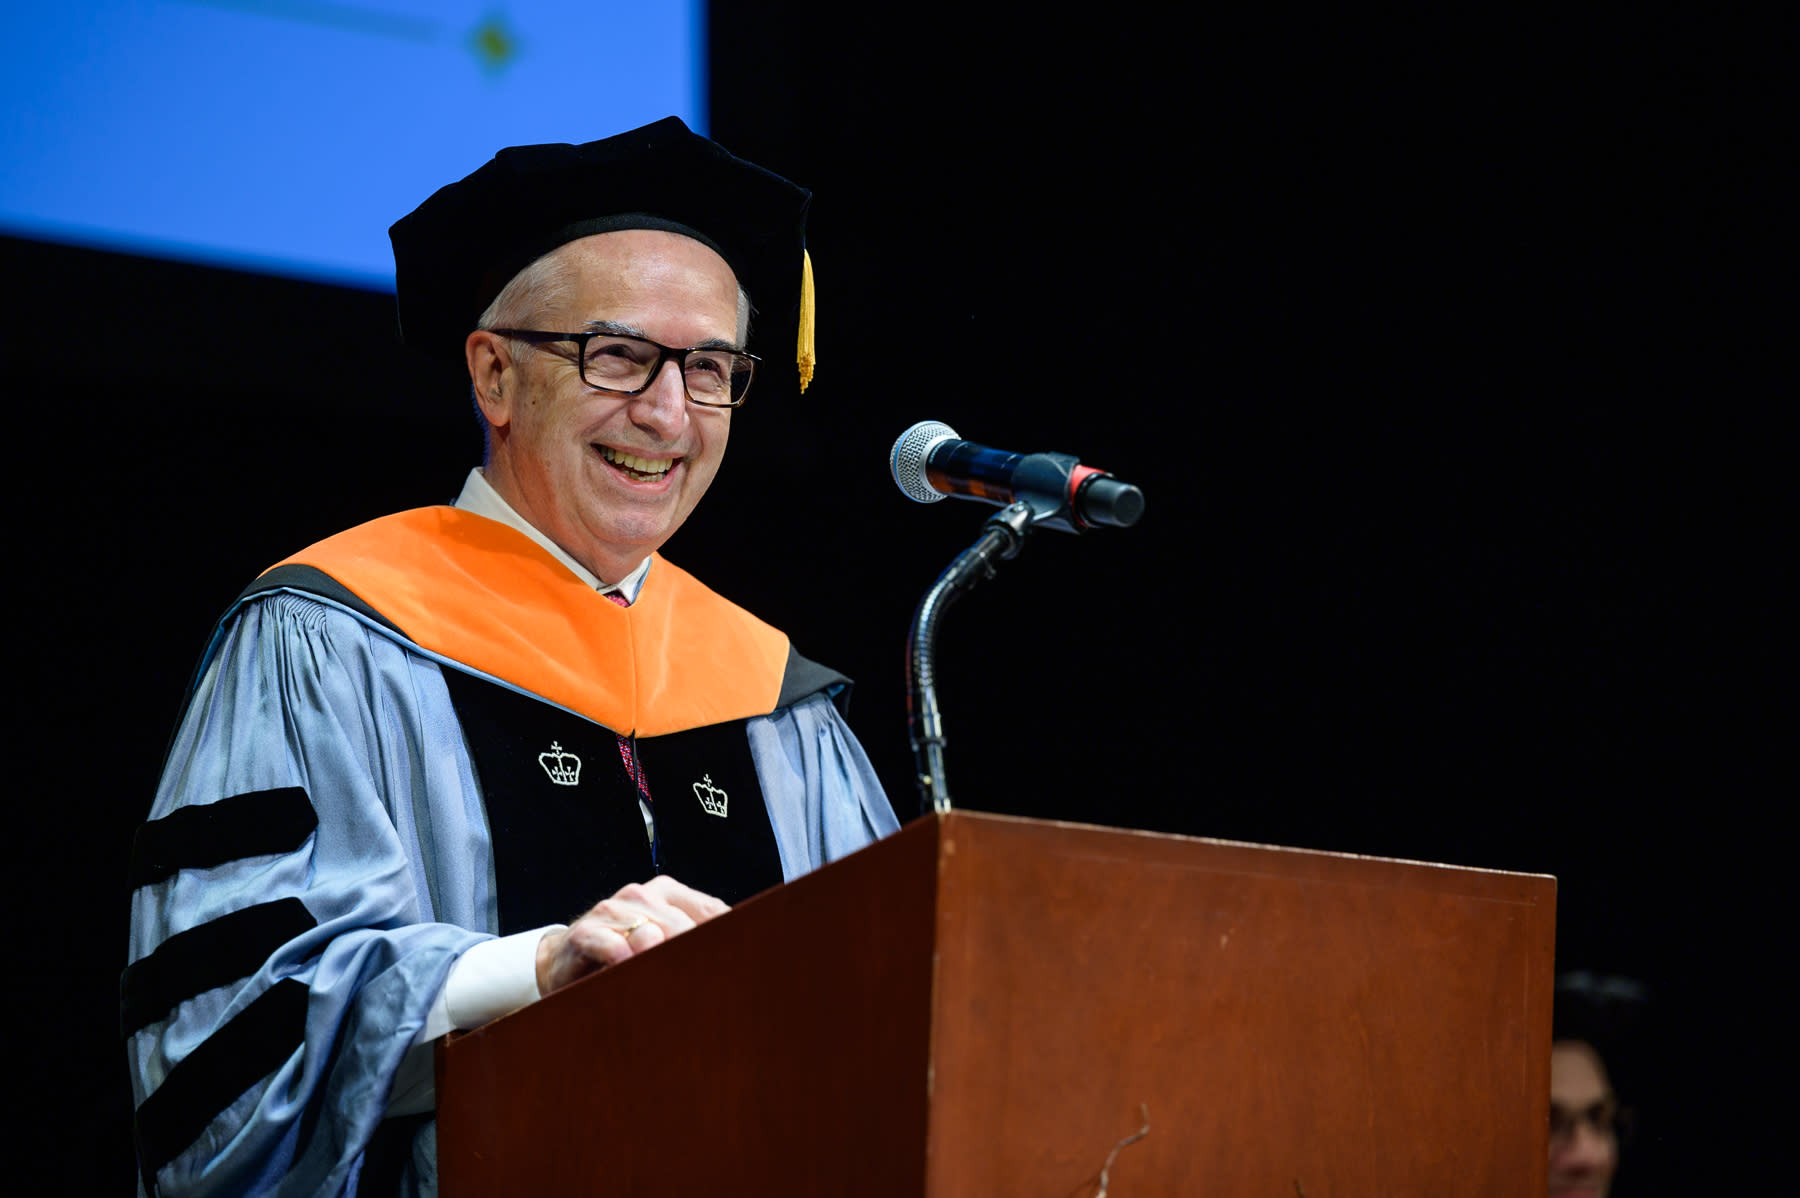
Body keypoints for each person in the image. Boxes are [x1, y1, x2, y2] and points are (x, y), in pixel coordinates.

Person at [122, 117, 899, 1197]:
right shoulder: (333, 637)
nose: (669, 413)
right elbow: (235, 1020)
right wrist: (533, 969)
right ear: (492, 373)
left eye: (712, 368)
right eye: (621, 355)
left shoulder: (780, 702)